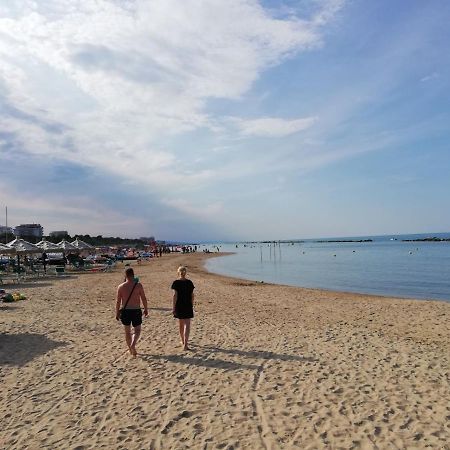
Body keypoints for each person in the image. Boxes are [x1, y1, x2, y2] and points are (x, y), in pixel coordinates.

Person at [116, 268, 149, 357]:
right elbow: (143, 298)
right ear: (133, 275)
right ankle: (133, 344)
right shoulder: (138, 285)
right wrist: (146, 309)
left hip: (126, 311)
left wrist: (117, 312)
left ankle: (131, 350)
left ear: (125, 275)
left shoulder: (121, 286)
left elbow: (118, 301)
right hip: (136, 310)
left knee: (127, 332)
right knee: (137, 330)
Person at [171, 266, 195, 351]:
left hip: (179, 305)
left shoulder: (176, 283)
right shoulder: (189, 282)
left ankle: (182, 341)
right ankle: (186, 344)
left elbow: (175, 296)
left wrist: (173, 307)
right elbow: (192, 295)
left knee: (181, 324)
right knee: (187, 325)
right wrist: (191, 304)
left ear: (178, 273)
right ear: (186, 273)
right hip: (187, 305)